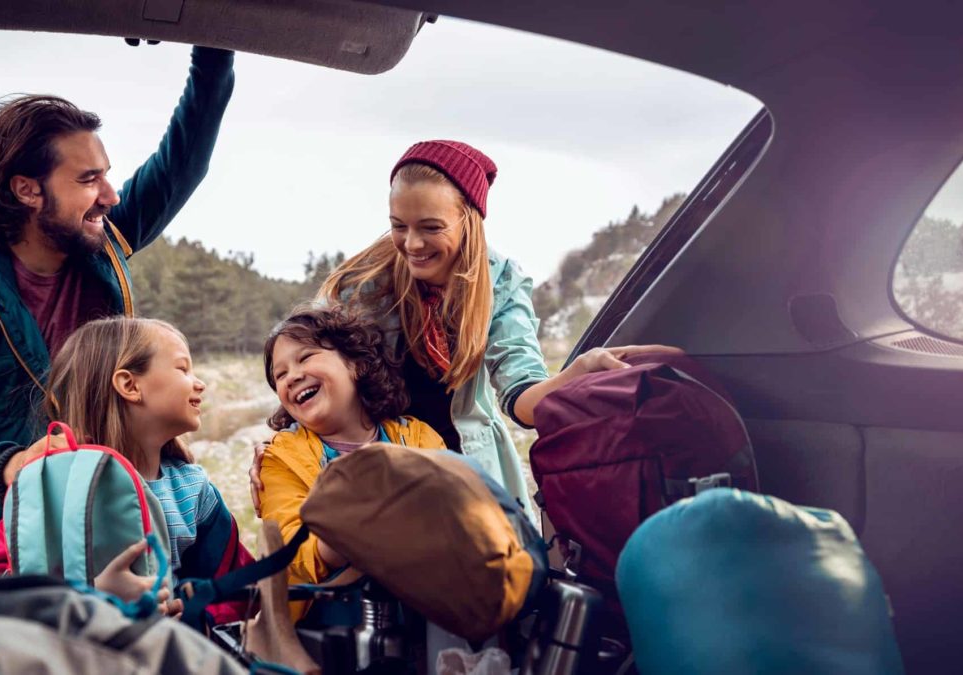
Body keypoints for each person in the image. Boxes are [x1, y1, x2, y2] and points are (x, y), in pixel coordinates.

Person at [0, 46, 235, 575]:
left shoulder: (101, 240)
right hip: (22, 537)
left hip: (125, 506)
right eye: (86, 180)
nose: (110, 195)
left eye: (105, 174)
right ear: (28, 190)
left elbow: (183, 162)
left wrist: (213, 51)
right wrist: (12, 465)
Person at [251, 140, 674, 521]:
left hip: (466, 467)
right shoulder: (363, 282)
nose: (412, 244)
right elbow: (307, 364)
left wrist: (575, 375)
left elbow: (522, 398)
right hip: (378, 464)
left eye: (431, 227)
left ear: (468, 220)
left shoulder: (502, 282)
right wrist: (278, 451)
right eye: (399, 225)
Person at [0, 317, 253, 619]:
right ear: (130, 385)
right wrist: (90, 597)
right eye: (182, 368)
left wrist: (192, 611)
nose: (199, 382)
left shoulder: (191, 489)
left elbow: (238, 586)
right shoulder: (53, 487)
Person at [258, 305, 445, 589]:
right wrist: (353, 534)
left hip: (432, 599)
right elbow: (289, 548)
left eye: (306, 357)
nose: (292, 376)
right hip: (330, 618)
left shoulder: (417, 437)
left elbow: (453, 505)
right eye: (280, 375)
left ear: (356, 364)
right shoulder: (280, 459)